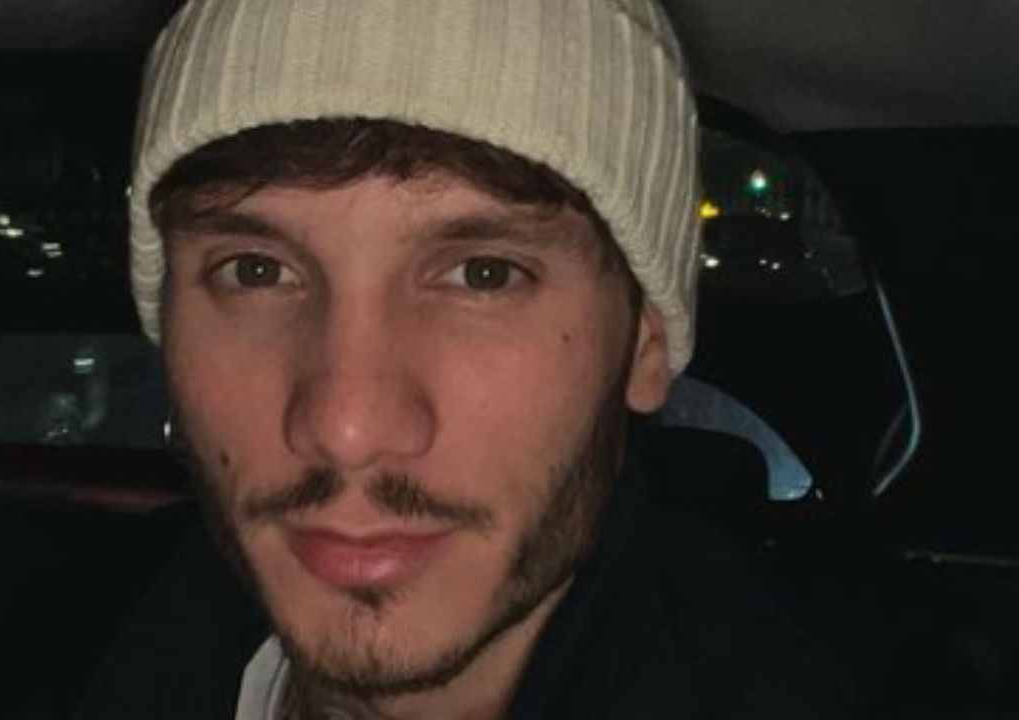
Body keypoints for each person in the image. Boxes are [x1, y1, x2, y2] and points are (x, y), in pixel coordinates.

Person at [76, 0, 853, 717]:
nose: (346, 428)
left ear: (644, 338)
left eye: (484, 274)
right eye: (255, 271)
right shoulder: (49, 642)